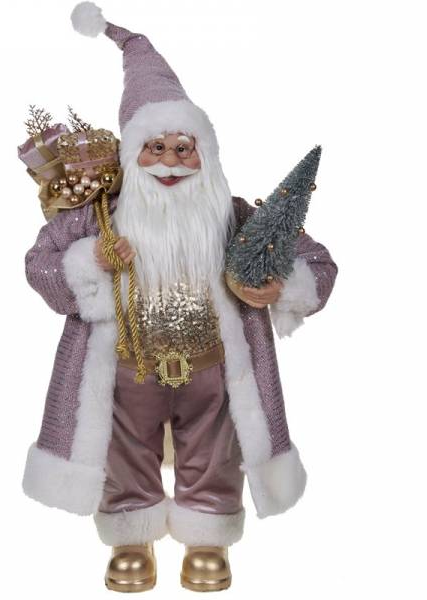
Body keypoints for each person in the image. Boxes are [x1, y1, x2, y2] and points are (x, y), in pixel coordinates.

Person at [22, 2, 338, 592]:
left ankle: (208, 537)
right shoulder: (99, 220)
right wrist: (91, 260)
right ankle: (130, 536)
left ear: (205, 156)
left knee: (216, 452)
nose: (169, 162)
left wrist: (282, 287)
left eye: (183, 148)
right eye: (156, 148)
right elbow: (39, 265)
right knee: (123, 452)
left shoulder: (235, 218)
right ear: (133, 156)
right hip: (127, 371)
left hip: (211, 370)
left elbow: (316, 262)